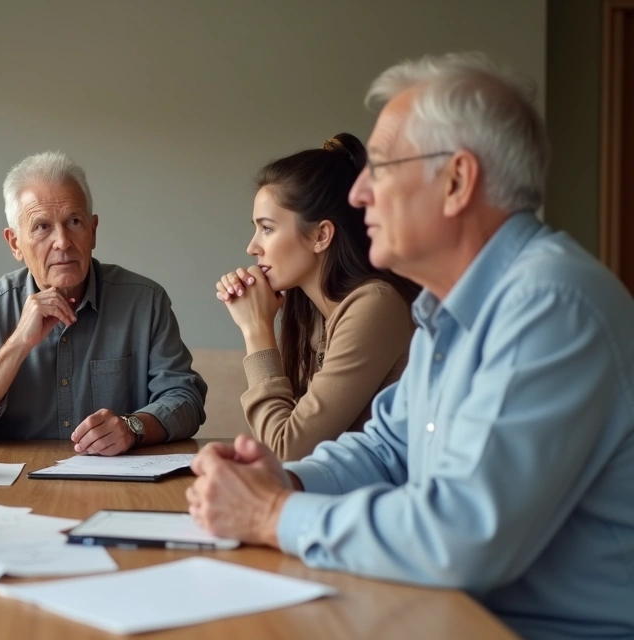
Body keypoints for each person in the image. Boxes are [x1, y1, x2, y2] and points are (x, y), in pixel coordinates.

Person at [186, 53, 634, 639]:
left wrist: (272, 513)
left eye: (381, 167)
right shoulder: (450, 309)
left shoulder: (549, 304)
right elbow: (385, 449)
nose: (359, 193)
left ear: (456, 181)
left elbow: (464, 536)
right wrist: (285, 480)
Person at [0, 151, 207, 455]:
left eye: (74, 221)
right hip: (16, 481)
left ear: (93, 231)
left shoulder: (145, 302)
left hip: (116, 478)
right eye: (42, 226)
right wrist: (18, 343)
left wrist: (132, 427)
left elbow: (186, 399)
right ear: (15, 243)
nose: (62, 241)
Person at [215, 133, 418, 461]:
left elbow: (286, 450)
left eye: (267, 228)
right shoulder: (312, 314)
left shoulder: (376, 306)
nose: (252, 247)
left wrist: (256, 329)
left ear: (321, 235)